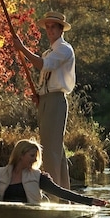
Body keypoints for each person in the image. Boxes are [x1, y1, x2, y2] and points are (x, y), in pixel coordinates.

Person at [14, 10, 75, 189]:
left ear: (61, 29)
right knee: (56, 150)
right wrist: (40, 94)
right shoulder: (49, 51)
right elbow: (46, 76)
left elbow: (43, 65)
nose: (50, 30)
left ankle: (54, 193)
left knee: (50, 151)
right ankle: (63, 193)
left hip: (56, 101)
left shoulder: (64, 49)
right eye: (47, 27)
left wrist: (22, 48)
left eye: (53, 27)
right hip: (47, 100)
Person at [0, 139, 108, 207]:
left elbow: (60, 192)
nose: (35, 160)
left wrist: (89, 201)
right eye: (32, 156)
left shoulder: (38, 176)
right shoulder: (1, 173)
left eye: (36, 157)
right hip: (5, 215)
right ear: (20, 155)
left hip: (29, 216)